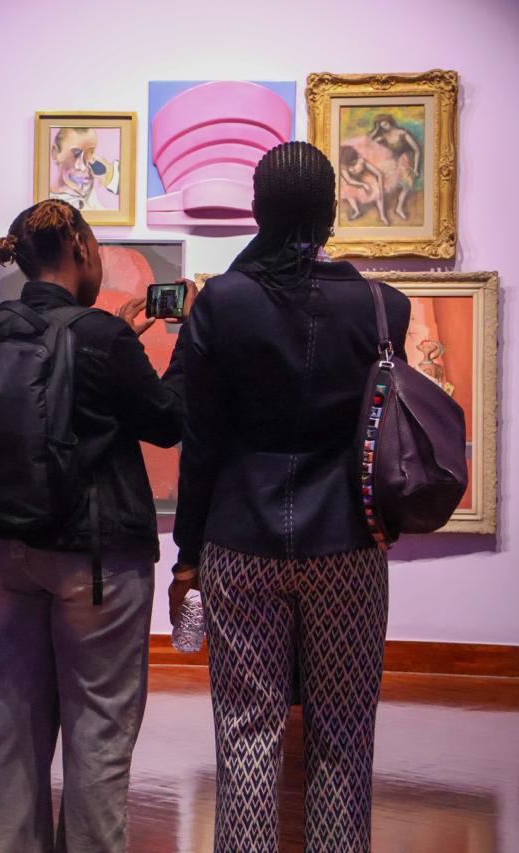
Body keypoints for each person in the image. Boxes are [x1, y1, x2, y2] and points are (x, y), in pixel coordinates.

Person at [171, 141, 412, 853]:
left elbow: (200, 440)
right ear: (333, 210)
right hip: (348, 541)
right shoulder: (383, 306)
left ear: (258, 210)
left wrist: (187, 554)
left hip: (239, 538)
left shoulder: (223, 301)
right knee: (344, 734)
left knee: (246, 731)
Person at [0, 198, 192, 853]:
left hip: (0, 546)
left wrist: (121, 336)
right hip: (94, 557)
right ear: (82, 249)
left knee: (7, 714)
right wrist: (186, 346)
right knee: (98, 726)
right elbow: (167, 421)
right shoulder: (99, 336)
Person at [48, 127, 120, 211]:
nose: (83, 167)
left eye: (90, 154)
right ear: (55, 154)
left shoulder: (91, 197)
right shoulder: (50, 205)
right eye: (76, 154)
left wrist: (109, 175)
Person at [339, 145, 389, 225]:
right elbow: (349, 180)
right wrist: (363, 185)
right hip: (355, 182)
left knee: (378, 192)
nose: (352, 166)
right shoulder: (343, 166)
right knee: (346, 190)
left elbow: (379, 174)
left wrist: (381, 190)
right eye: (350, 164)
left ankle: (382, 216)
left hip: (364, 178)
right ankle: (357, 211)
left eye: (354, 162)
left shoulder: (361, 161)